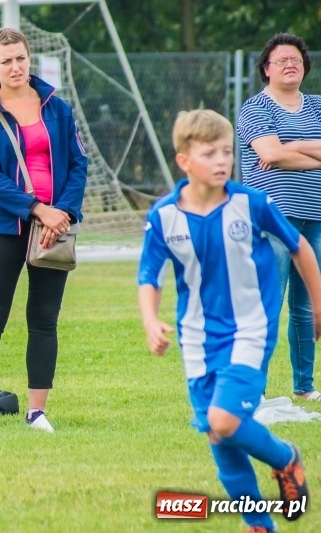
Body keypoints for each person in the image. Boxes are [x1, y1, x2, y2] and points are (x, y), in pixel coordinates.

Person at [139, 109, 321, 532]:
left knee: (224, 420)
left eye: (227, 151)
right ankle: (260, 525)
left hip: (251, 330)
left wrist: (318, 303)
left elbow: (300, 248)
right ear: (184, 161)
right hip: (198, 338)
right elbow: (150, 275)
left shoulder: (250, 203)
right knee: (217, 436)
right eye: (210, 153)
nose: (222, 160)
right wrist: (150, 319)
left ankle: (285, 458)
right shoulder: (164, 215)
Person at [0, 28, 88, 431]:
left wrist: (62, 214)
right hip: (1, 227)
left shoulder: (58, 107)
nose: (15, 66)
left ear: (28, 59)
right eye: (6, 61)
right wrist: (38, 210)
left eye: (20, 58)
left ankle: (37, 412)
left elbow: (78, 165)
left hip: (55, 229)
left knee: (44, 318)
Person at [236, 32, 321, 401]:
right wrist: (292, 152)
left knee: (305, 307)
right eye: (282, 59)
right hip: (271, 219)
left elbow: (281, 154)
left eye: (297, 60)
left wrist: (294, 146)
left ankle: (304, 387)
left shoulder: (317, 107)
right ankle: (256, 390)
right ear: (266, 69)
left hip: (315, 216)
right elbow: (271, 153)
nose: (290, 64)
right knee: (267, 304)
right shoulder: (255, 108)